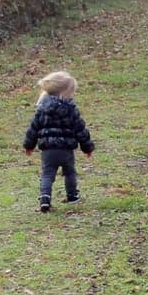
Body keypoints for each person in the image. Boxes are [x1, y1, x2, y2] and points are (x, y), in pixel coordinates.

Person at [23, 71, 95, 213]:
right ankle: (72, 196)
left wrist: (29, 145)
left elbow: (33, 128)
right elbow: (80, 129)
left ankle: (45, 198)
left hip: (49, 150)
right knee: (69, 173)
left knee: (47, 174)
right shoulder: (71, 109)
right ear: (67, 92)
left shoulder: (42, 109)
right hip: (66, 150)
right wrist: (87, 147)